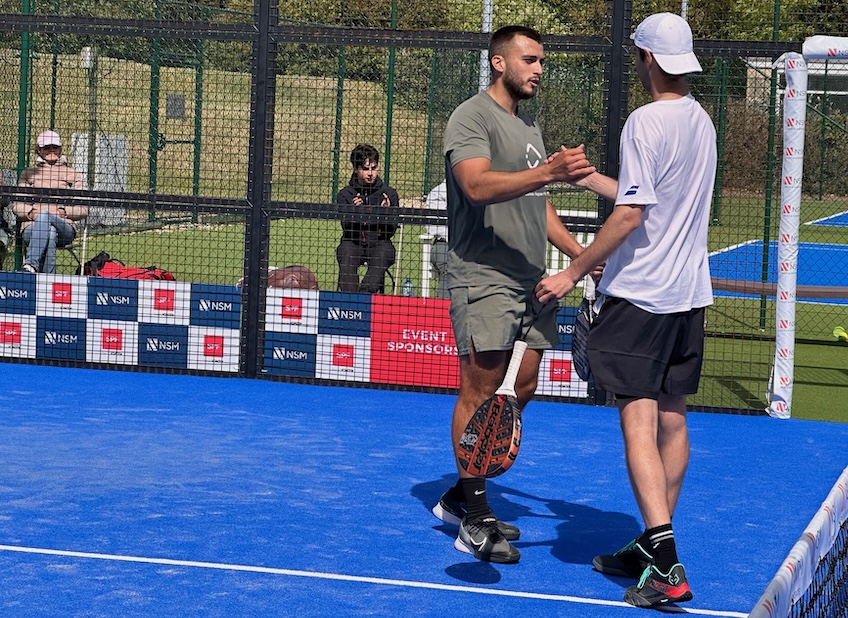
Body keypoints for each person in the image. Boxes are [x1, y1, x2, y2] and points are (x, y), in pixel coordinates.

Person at [533, 12, 716, 607]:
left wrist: (571, 271)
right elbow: (646, 196)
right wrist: (590, 181)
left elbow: (633, 216)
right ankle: (650, 544)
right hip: (689, 297)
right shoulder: (701, 121)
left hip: (641, 297)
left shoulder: (643, 121)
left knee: (637, 419)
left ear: (650, 61)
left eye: (640, 56)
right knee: (672, 418)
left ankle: (664, 564)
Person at [431, 25, 595, 565]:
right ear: (499, 63)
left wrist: (579, 256)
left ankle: (460, 494)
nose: (539, 69)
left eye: (542, 60)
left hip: (533, 279)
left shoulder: (529, 128)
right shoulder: (470, 116)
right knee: (479, 389)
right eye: (530, 59)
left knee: (521, 385)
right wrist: (546, 170)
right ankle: (474, 518)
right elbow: (475, 186)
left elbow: (538, 201)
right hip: (483, 274)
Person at [12, 130, 88, 274]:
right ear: (39, 150)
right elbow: (17, 204)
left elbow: (83, 208)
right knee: (50, 232)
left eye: (55, 146)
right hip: (32, 227)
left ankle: (30, 266)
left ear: (60, 149)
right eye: (47, 147)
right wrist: (32, 213)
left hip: (64, 227)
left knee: (47, 218)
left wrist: (63, 212)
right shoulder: (28, 173)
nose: (51, 150)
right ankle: (48, 280)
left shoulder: (73, 174)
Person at [336, 144, 400, 293]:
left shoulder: (389, 194)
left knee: (384, 253)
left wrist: (385, 212)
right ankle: (349, 299)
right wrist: (355, 211)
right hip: (353, 242)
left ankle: (365, 295)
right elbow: (346, 228)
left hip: (379, 242)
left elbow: (390, 231)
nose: (370, 173)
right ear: (356, 169)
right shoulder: (345, 194)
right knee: (346, 252)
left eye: (374, 168)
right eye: (365, 169)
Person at [424, 181, 448, 299]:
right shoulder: (438, 193)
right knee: (450, 269)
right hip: (445, 243)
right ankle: (444, 311)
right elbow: (433, 228)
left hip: (472, 244)